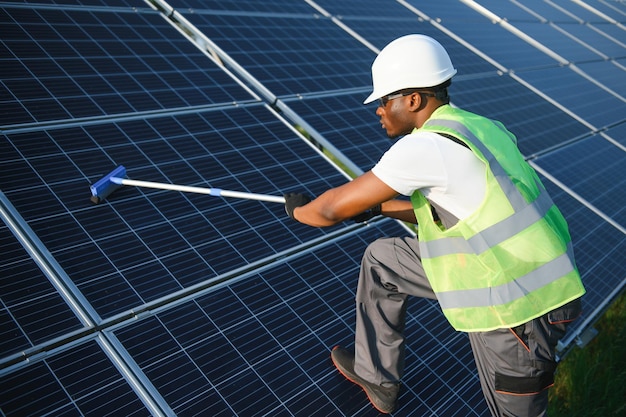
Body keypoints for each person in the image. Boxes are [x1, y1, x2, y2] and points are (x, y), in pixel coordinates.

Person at [283, 34, 585, 416]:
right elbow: (464, 207)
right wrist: (384, 209)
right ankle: (377, 376)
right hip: (507, 268)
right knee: (383, 259)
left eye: (384, 100)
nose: (378, 109)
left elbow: (330, 210)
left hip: (521, 305)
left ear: (412, 100)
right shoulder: (478, 127)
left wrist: (300, 211)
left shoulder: (423, 148)